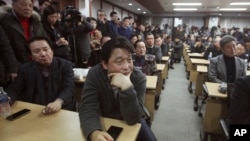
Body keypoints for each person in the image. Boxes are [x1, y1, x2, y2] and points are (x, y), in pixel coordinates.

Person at [79, 37, 157, 141]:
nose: (126, 67)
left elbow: (133, 119)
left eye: (129, 60)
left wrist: (127, 87)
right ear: (105, 64)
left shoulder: (139, 78)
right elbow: (88, 107)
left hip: (133, 118)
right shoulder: (95, 73)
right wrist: (94, 132)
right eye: (119, 62)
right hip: (104, 118)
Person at [6, 36, 75, 114]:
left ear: (52, 51)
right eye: (37, 51)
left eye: (46, 49)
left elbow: (69, 88)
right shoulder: (25, 69)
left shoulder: (65, 65)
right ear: (31, 56)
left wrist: (58, 102)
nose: (43, 54)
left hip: (62, 110)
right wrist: (8, 99)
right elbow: (15, 88)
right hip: (34, 110)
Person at [0, 0, 46, 65]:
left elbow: (45, 41)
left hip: (37, 64)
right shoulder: (4, 22)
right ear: (13, 5)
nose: (27, 8)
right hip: (16, 66)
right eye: (23, 4)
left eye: (30, 5)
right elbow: (5, 48)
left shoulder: (36, 22)